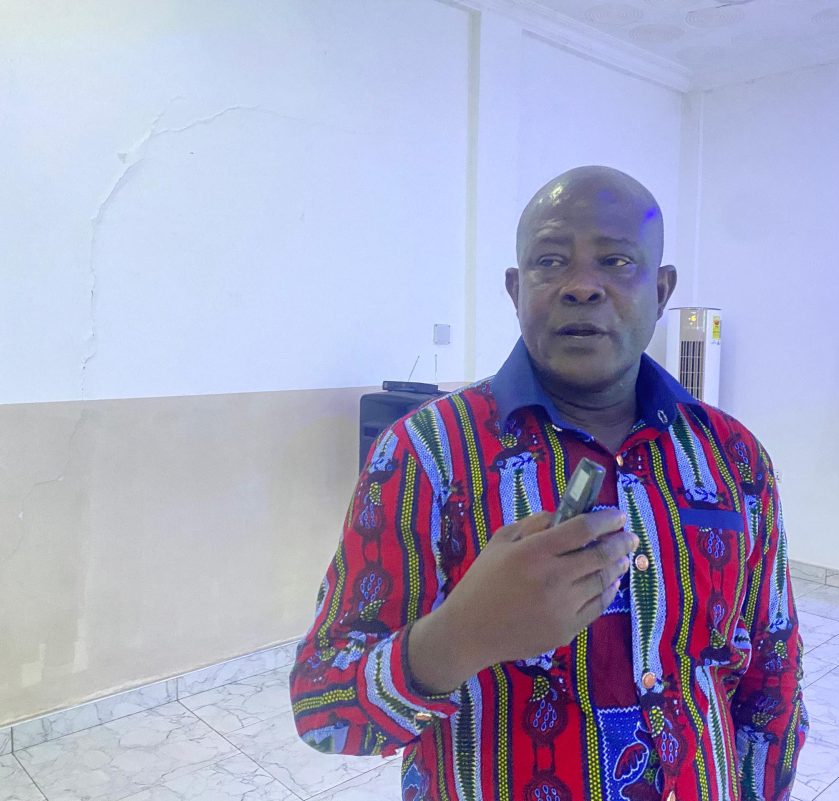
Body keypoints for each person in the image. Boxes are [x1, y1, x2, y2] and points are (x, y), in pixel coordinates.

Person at [289, 166, 807, 801]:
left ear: (661, 289)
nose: (582, 286)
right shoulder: (425, 454)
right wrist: (462, 634)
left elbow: (772, 675)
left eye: (616, 261)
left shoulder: (733, 457)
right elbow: (322, 709)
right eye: (551, 261)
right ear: (516, 289)